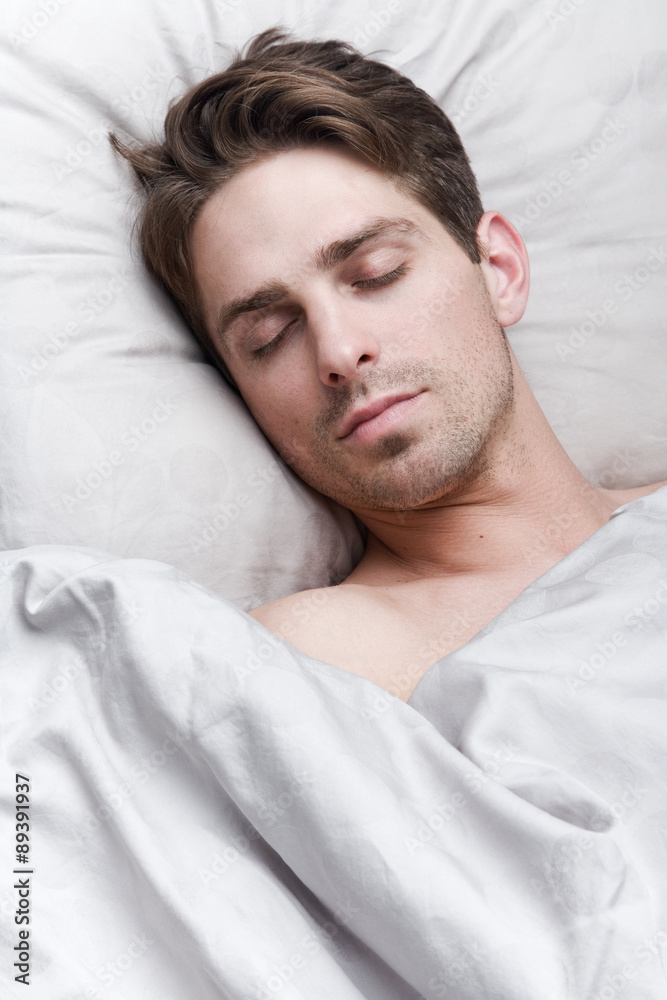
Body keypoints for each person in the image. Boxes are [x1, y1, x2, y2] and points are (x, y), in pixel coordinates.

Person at [111, 27, 665, 702]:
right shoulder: (314, 664)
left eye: (375, 274)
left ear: (498, 270)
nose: (340, 352)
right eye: (269, 335)